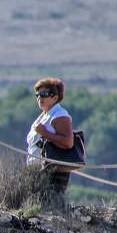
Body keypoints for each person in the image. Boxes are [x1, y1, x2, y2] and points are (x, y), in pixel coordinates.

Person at [27, 77, 75, 209]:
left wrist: (45, 133)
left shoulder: (60, 115)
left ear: (55, 97)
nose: (39, 98)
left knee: (51, 207)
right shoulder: (44, 115)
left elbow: (68, 142)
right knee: (36, 205)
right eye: (37, 95)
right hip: (37, 169)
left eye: (44, 95)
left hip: (54, 172)